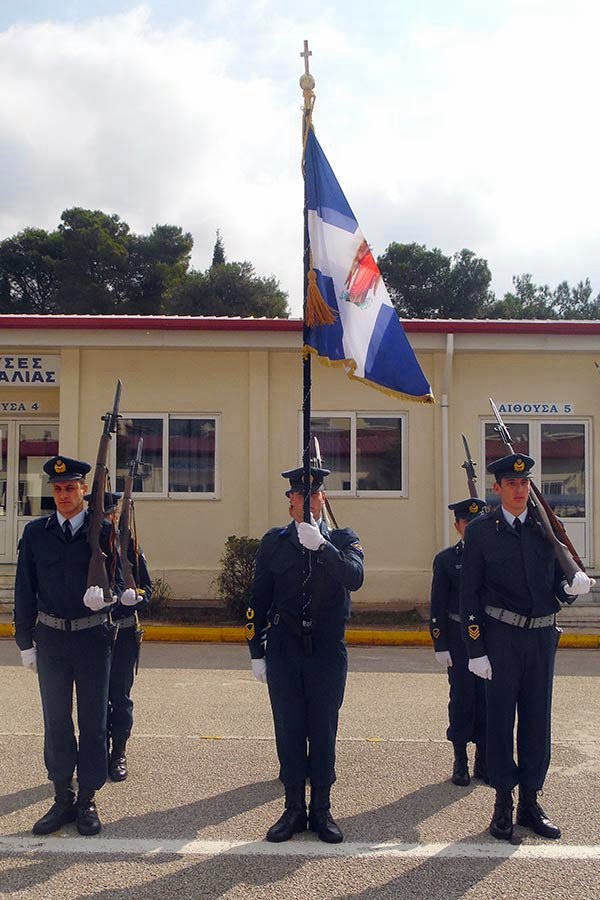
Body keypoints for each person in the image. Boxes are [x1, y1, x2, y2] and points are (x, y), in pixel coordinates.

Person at [460, 453, 594, 841]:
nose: (519, 490)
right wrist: (475, 649)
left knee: (538, 722)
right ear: (497, 489)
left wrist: (570, 590)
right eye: (511, 484)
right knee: (501, 721)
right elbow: (469, 596)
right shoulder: (482, 532)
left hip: (540, 638)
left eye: (524, 484)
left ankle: (530, 802)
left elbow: (555, 583)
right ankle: (503, 803)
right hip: (501, 638)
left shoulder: (544, 529)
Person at [13, 456, 134, 836]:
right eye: (58, 489)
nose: (64, 495)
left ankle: (87, 800)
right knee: (57, 722)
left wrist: (110, 598)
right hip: (50, 639)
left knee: (94, 722)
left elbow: (123, 583)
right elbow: (24, 590)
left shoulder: (105, 532)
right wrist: (24, 642)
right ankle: (62, 798)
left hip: (92, 638)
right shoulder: (36, 534)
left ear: (85, 490)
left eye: (71, 488)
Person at [246, 464, 364, 844]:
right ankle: (293, 808)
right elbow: (258, 599)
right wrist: (256, 651)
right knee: (290, 729)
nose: (307, 501)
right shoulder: (274, 543)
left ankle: (322, 810)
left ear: (323, 499)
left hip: (327, 650)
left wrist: (323, 547)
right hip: (284, 648)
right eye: (300, 495)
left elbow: (355, 578)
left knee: (324, 729)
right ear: (290, 502)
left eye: (314, 495)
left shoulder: (344, 539)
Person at [91, 491, 153, 782]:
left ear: (116, 515)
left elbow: (147, 591)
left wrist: (134, 598)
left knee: (120, 697)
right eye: (100, 515)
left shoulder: (130, 547)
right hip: (93, 632)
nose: (105, 520)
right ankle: (97, 754)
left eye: (109, 515)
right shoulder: (86, 547)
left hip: (124, 631)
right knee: (95, 699)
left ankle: (118, 754)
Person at [430, 497, 488, 786]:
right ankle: (460, 758)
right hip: (458, 639)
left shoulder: (494, 556)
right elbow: (437, 605)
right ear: (458, 525)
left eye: (479, 522)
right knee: (463, 699)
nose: (473, 527)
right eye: (468, 523)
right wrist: (439, 643)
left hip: (491, 638)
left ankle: (484, 757)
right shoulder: (446, 560)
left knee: (489, 700)